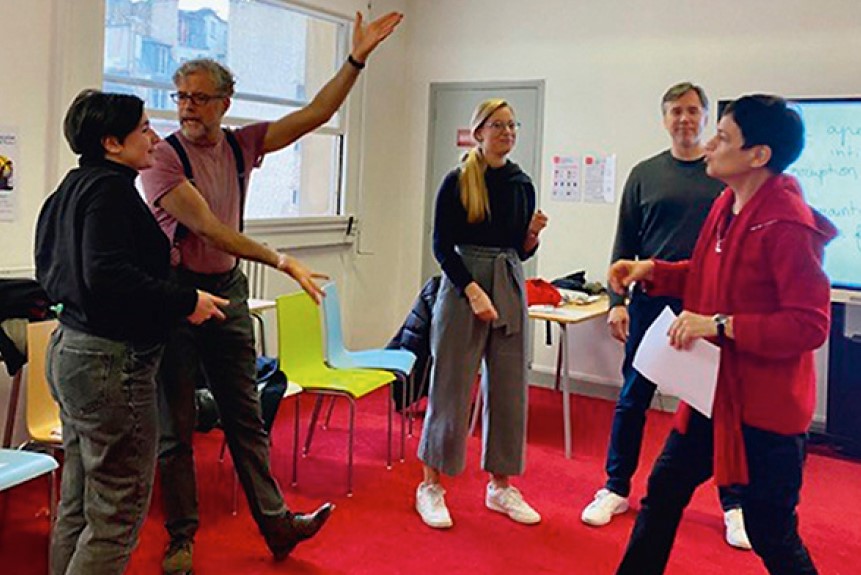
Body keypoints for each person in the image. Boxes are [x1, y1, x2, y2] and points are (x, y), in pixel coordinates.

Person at [139, 11, 403, 573]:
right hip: (178, 297)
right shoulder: (162, 157)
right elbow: (210, 228)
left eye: (199, 98)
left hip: (227, 291)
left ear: (224, 102)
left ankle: (278, 525)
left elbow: (317, 114)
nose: (187, 107)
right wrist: (282, 260)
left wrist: (355, 59)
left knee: (246, 417)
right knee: (176, 428)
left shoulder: (242, 146)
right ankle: (181, 538)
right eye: (181, 96)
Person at [611, 94, 833, 574]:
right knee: (663, 492)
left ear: (758, 155)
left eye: (723, 138)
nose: (709, 145)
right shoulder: (725, 206)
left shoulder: (789, 226)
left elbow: (809, 324)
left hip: (764, 411)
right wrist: (653, 270)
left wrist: (719, 325)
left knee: (771, 532)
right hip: (714, 395)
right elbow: (710, 276)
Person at [34, 89, 226, 575]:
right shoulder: (111, 193)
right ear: (112, 143)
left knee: (79, 503)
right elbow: (108, 276)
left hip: (72, 351)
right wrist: (185, 300)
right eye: (143, 128)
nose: (155, 138)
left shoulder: (70, 189)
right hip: (109, 364)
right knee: (117, 511)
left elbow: (55, 273)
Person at [581, 81, 751, 550]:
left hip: (708, 306)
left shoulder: (721, 174)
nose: (684, 119)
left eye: (693, 111)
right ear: (664, 119)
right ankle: (615, 488)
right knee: (632, 398)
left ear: (705, 118)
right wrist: (617, 304)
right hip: (653, 303)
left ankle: (734, 504)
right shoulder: (644, 175)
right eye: (676, 111)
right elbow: (625, 244)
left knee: (719, 406)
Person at [415, 98, 548, 529]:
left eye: (512, 125)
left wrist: (531, 236)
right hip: (463, 283)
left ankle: (500, 486)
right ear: (479, 132)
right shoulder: (457, 181)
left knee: (509, 387)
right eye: (498, 125)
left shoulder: (521, 183)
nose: (508, 132)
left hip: (507, 279)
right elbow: (441, 246)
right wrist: (472, 291)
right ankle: (431, 485)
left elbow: (519, 250)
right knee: (450, 385)